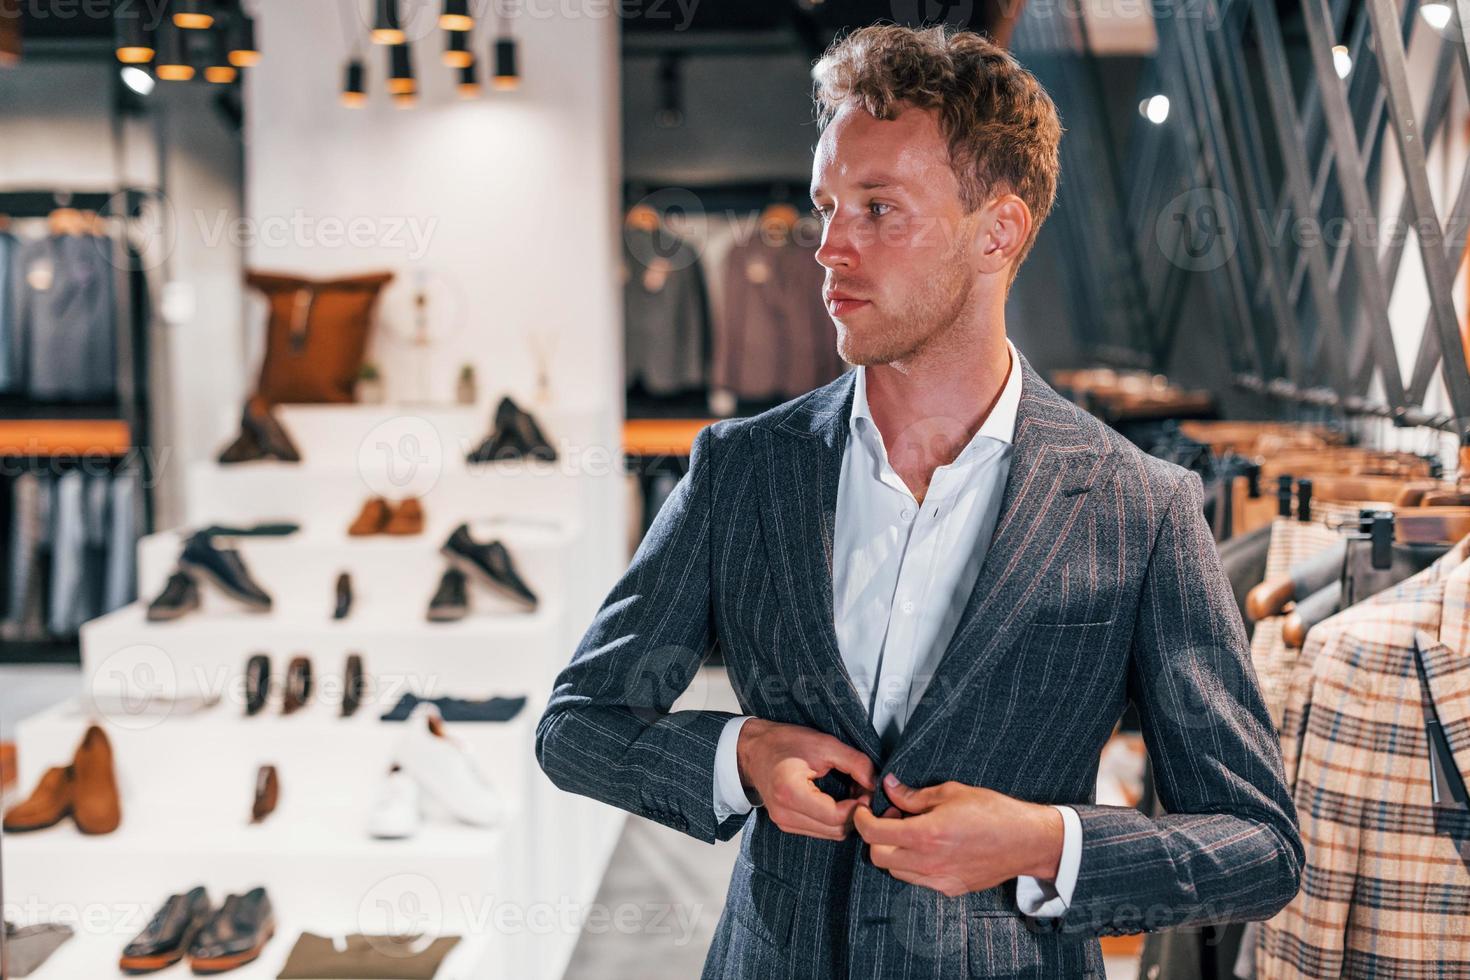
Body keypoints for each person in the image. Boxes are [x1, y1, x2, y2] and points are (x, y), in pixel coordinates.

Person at [537, 22, 1301, 978]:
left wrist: (1042, 842)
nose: (828, 249)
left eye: (877, 209)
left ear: (1000, 231)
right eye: (826, 207)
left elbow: (1259, 847)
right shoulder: (744, 470)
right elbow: (576, 725)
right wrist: (740, 755)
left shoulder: (1137, 510)